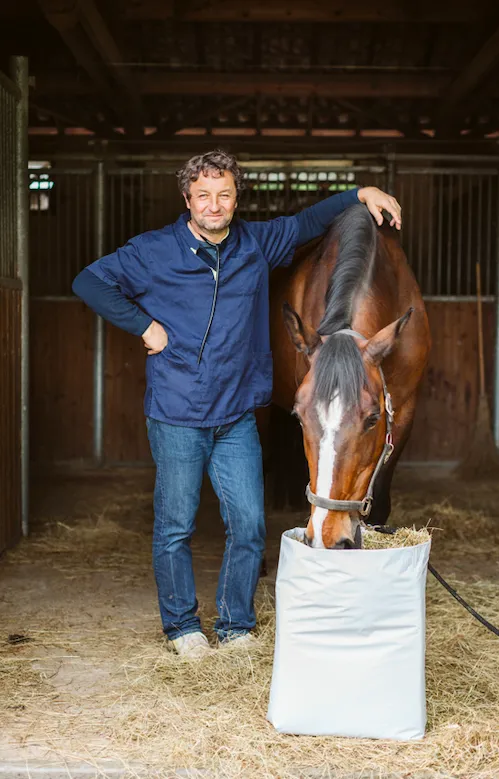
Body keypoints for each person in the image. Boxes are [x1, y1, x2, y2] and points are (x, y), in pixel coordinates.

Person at [72, 150, 401, 657]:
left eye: (224, 194)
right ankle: (182, 627)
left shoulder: (256, 243)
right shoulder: (154, 250)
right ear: (187, 200)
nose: (214, 204)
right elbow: (88, 281)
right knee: (176, 527)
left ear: (235, 198)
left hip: (236, 417)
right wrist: (145, 326)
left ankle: (235, 626)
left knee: (248, 526)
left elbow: (309, 221)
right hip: (177, 414)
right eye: (203, 195)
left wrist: (360, 194)